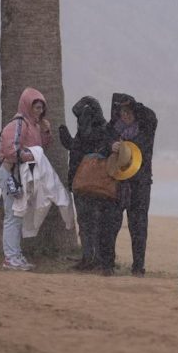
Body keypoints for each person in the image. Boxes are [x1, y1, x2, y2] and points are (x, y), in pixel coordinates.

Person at [0, 87, 52, 271]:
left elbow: (40, 146)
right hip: (11, 175)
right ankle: (10, 258)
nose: (39, 111)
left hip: (22, 176)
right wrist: (30, 156)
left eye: (41, 108)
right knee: (13, 216)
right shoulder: (17, 124)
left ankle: (15, 255)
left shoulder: (34, 125)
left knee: (18, 216)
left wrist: (45, 132)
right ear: (27, 106)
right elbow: (9, 150)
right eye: (36, 107)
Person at [58, 96, 116, 271]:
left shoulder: (90, 131)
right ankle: (94, 258)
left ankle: (91, 258)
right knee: (93, 222)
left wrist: (64, 133)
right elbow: (76, 146)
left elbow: (76, 146)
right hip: (94, 185)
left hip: (85, 184)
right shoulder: (105, 131)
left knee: (88, 223)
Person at [104, 93, 157, 277]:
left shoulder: (145, 127)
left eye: (128, 112)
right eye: (121, 112)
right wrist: (111, 145)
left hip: (140, 183)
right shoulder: (112, 129)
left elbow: (151, 116)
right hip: (117, 183)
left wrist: (135, 104)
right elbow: (102, 145)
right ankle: (107, 264)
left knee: (139, 225)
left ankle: (138, 267)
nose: (125, 116)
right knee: (111, 224)